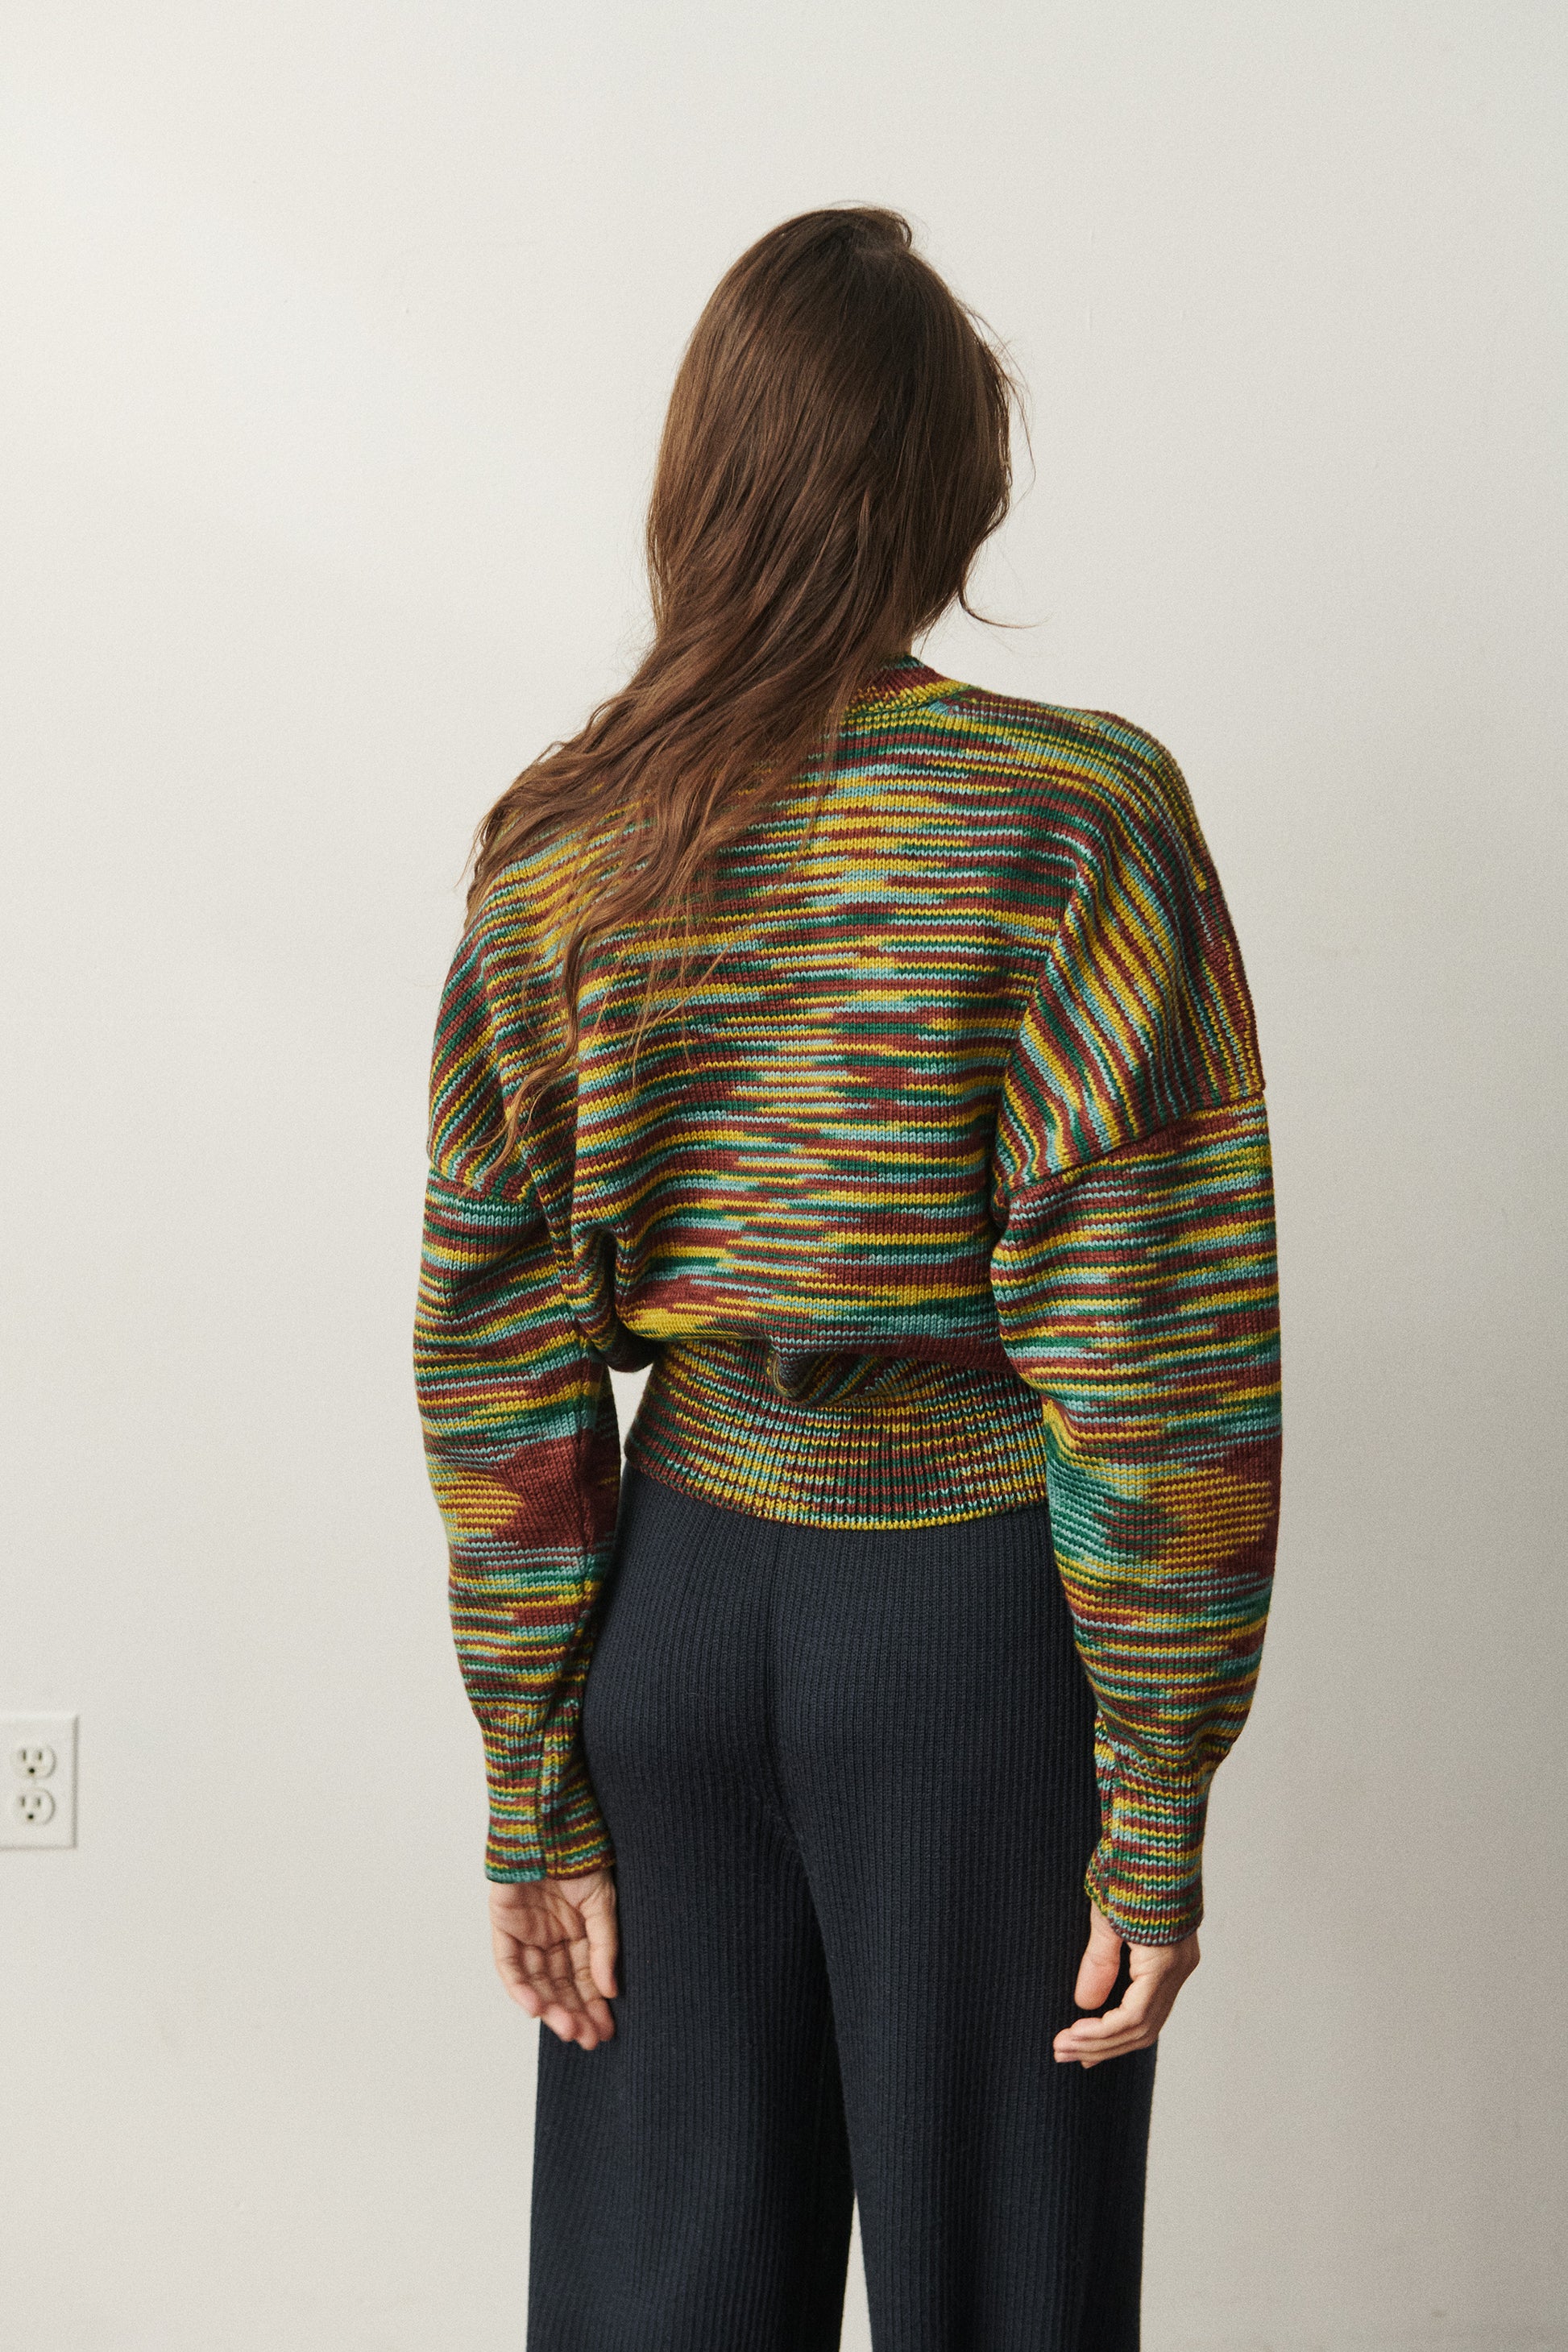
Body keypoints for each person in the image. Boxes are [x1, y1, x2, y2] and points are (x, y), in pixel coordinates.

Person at [413, 205, 1281, 2352]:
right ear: (952, 490)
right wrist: (1153, 1804)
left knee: (656, 2305)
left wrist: (536, 1780)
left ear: (699, 480)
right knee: (1008, 2300)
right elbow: (1154, 1351)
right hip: (972, 1639)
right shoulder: (1075, 816)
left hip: (675, 1624)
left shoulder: (559, 841)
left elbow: (500, 1353)